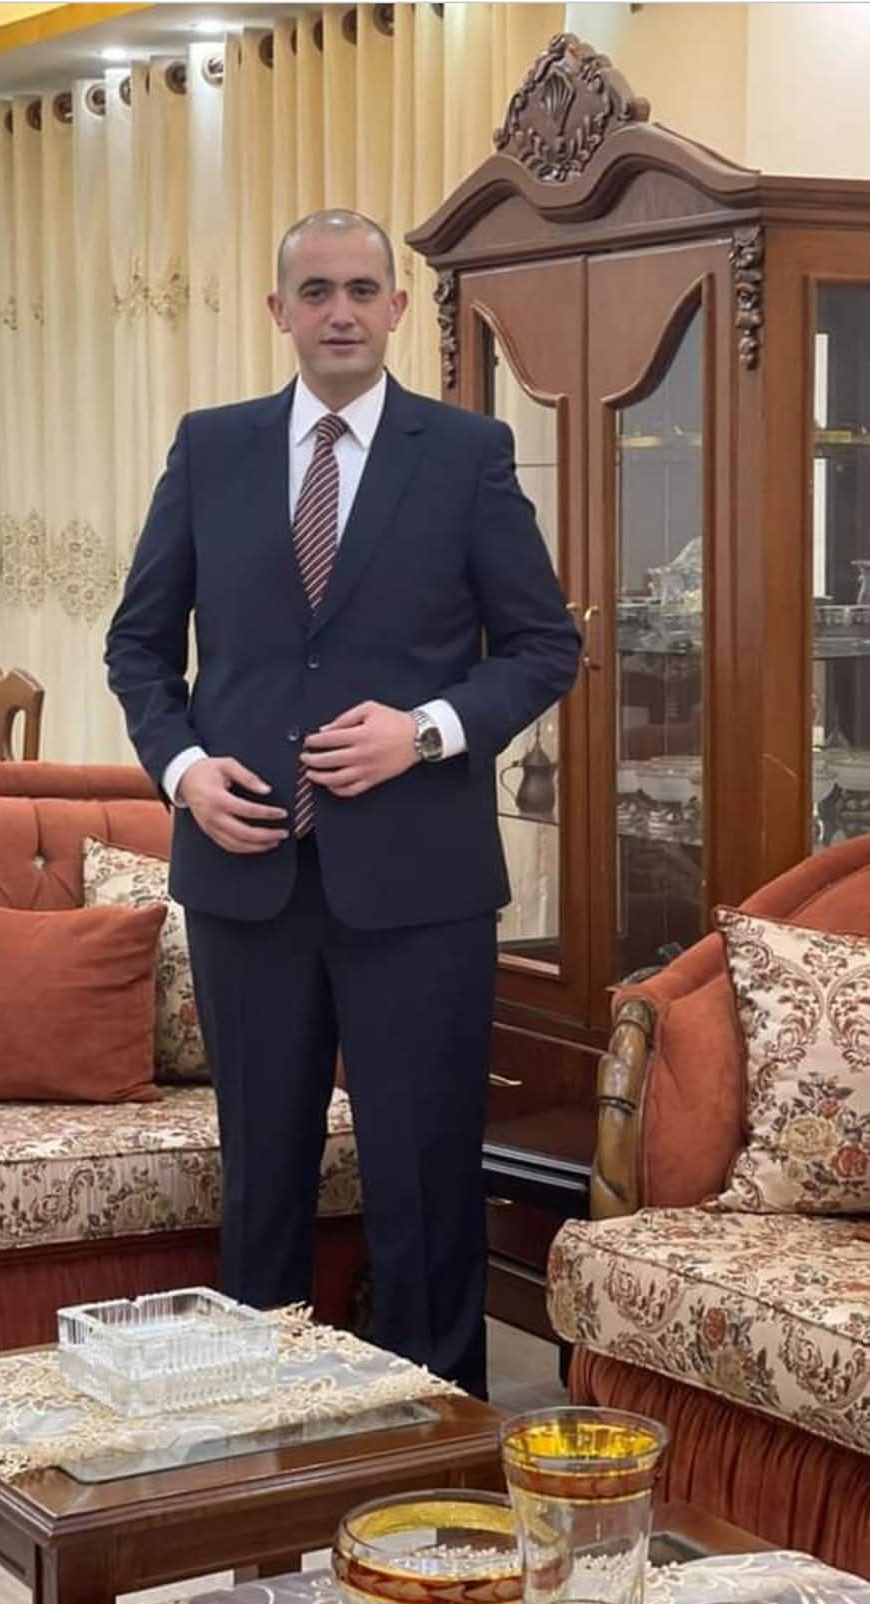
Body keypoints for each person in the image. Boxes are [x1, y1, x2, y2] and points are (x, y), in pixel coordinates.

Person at [105, 209, 581, 1397]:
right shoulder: (210, 448)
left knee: (424, 1179)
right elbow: (138, 649)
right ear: (279, 311)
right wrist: (185, 770)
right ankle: (265, 1446)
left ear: (397, 308)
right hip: (244, 877)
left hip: (420, 887)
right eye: (315, 291)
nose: (340, 312)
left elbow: (543, 646)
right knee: (263, 1180)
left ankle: (432, 1443)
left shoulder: (464, 453)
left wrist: (424, 730)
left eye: (363, 289)